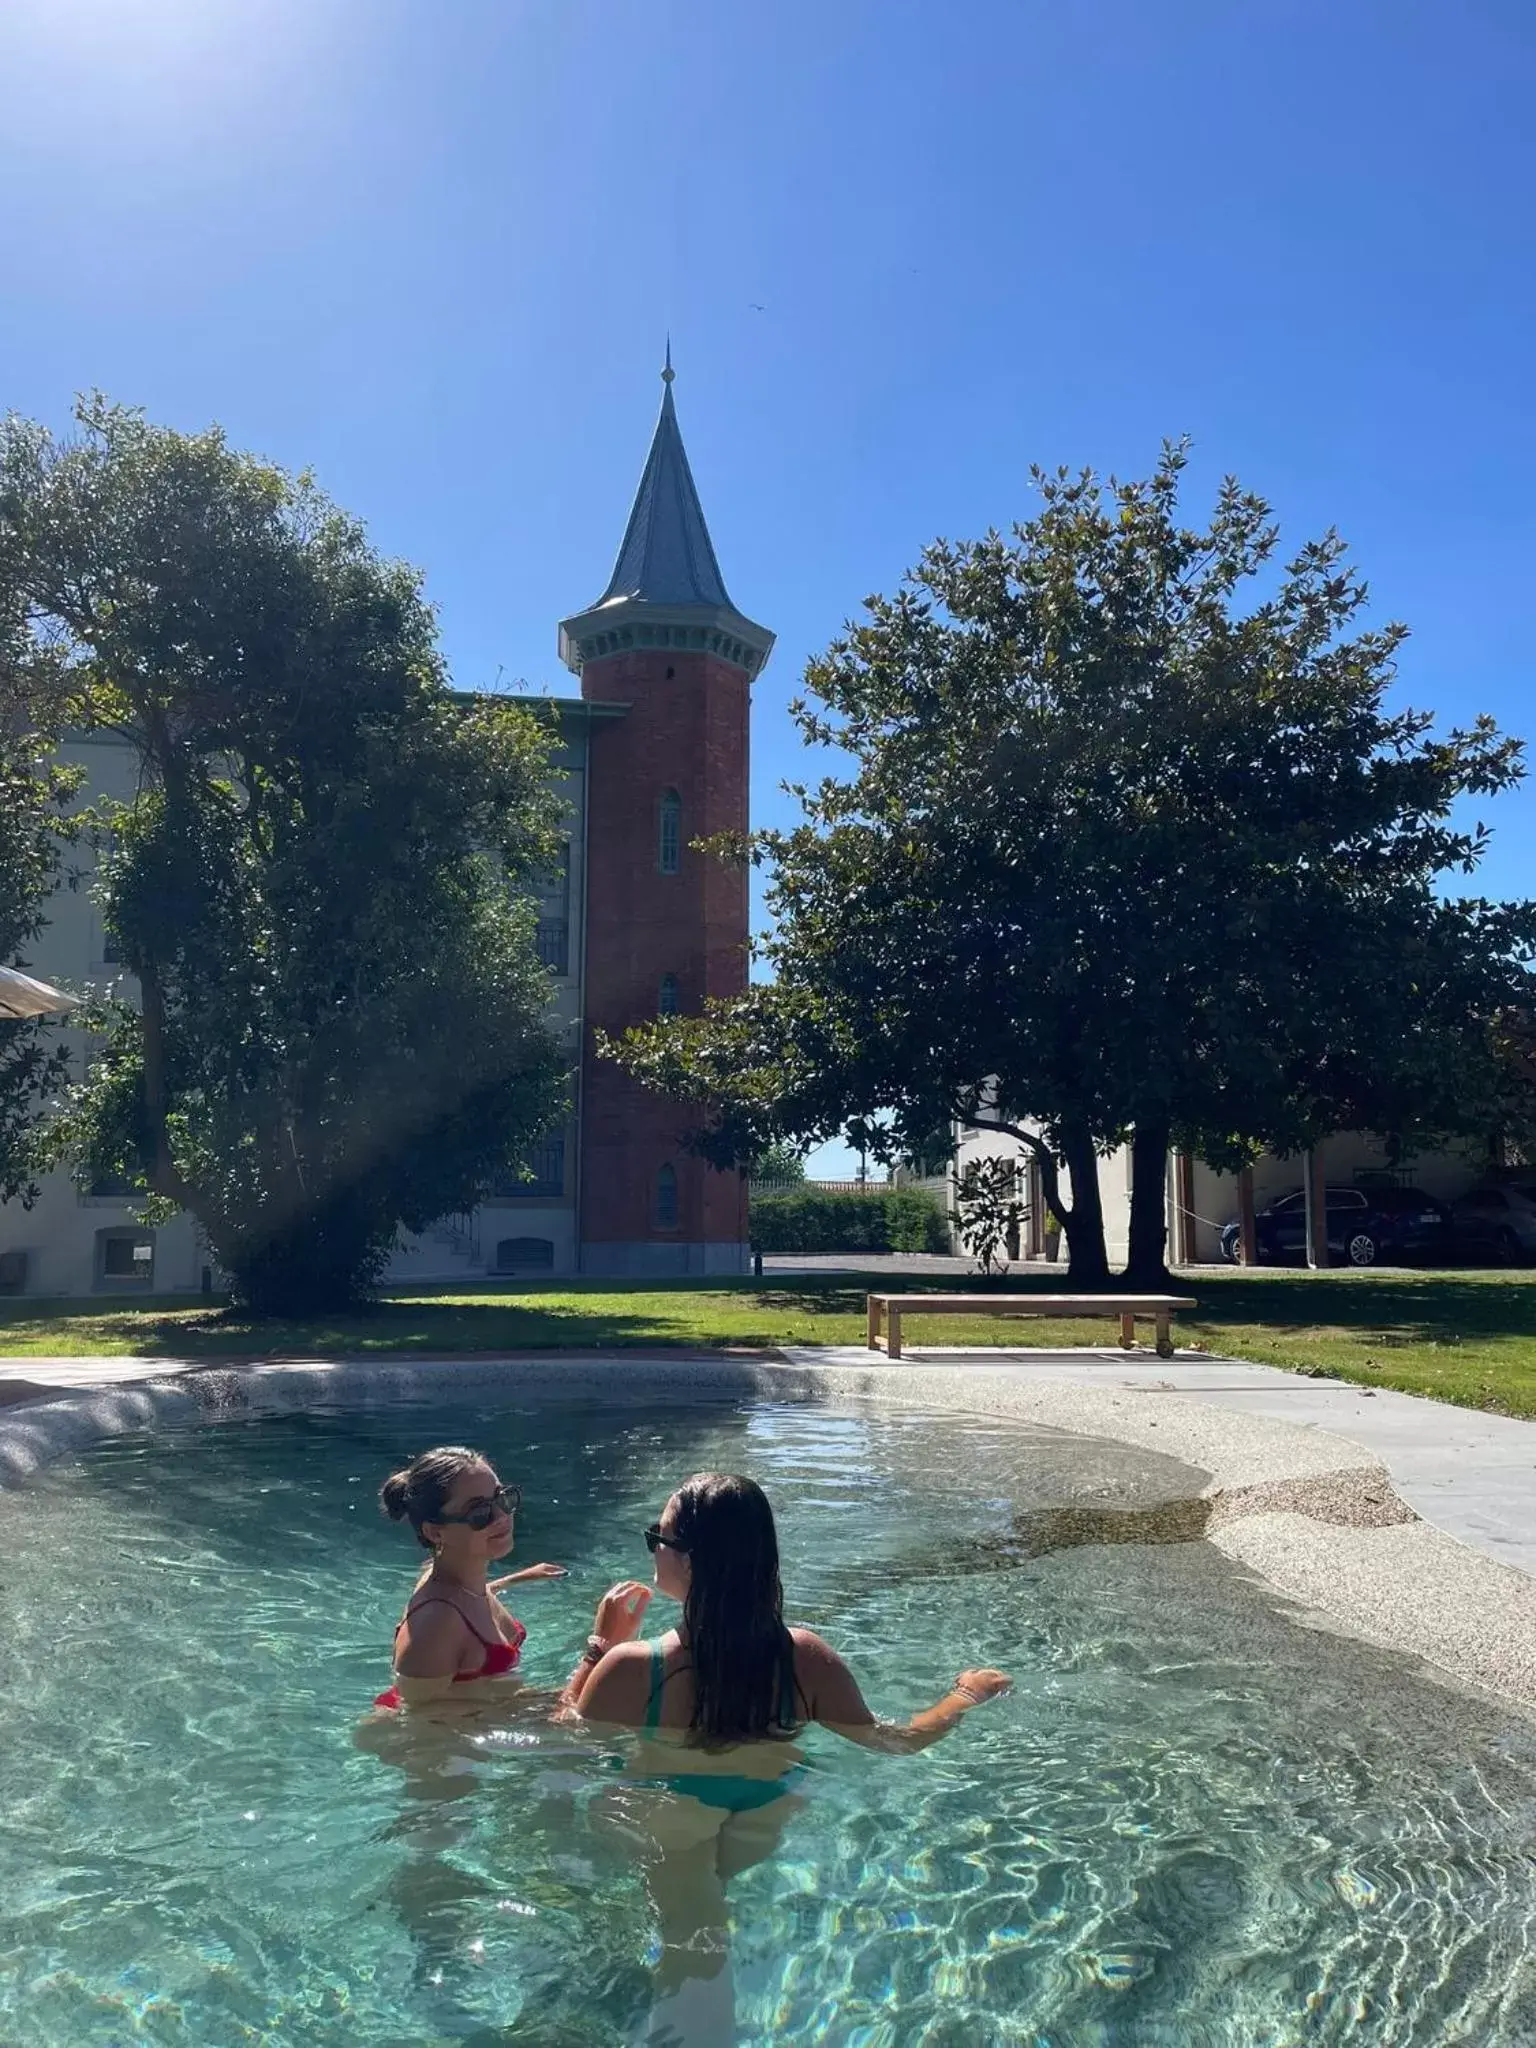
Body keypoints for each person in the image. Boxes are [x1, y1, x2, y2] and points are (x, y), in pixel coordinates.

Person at [564, 1472, 1010, 2039]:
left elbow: (568, 1740)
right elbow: (898, 1741)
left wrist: (597, 1646)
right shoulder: (805, 1658)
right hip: (763, 1812)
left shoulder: (632, 1667)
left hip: (668, 1818)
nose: (653, 1548)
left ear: (692, 1563)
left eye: (660, 1538)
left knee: (694, 1952)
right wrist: (965, 1695)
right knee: (700, 1927)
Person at [374, 1444, 566, 1712]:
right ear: (435, 1532)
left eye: (503, 1498)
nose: (502, 1516)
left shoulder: (459, 1582)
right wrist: (597, 1651)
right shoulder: (437, 1623)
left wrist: (516, 1579)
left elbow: (469, 1598)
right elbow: (417, 1726)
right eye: (479, 1513)